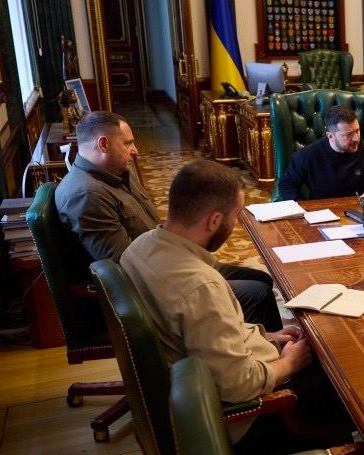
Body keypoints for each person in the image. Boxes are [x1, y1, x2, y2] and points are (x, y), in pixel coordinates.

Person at [120, 159, 350, 455]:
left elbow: (198, 335)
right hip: (241, 421)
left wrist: (267, 336)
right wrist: (288, 364)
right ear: (214, 221)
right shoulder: (202, 287)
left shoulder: (140, 246)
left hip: (191, 386)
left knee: (324, 354)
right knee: (348, 385)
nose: (235, 225)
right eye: (235, 216)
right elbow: (238, 386)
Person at [56, 111, 281, 331]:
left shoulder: (117, 171)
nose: (135, 151)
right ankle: (254, 349)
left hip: (169, 260)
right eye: (128, 143)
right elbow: (124, 267)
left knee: (261, 279)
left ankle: (252, 338)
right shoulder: (87, 195)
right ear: (103, 144)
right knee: (257, 293)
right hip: (153, 287)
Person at [277, 105, 364, 201]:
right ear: (330, 136)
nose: (356, 138)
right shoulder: (306, 155)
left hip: (359, 211)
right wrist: (303, 208)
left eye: (357, 131)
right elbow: (286, 185)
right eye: (349, 134)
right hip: (322, 213)